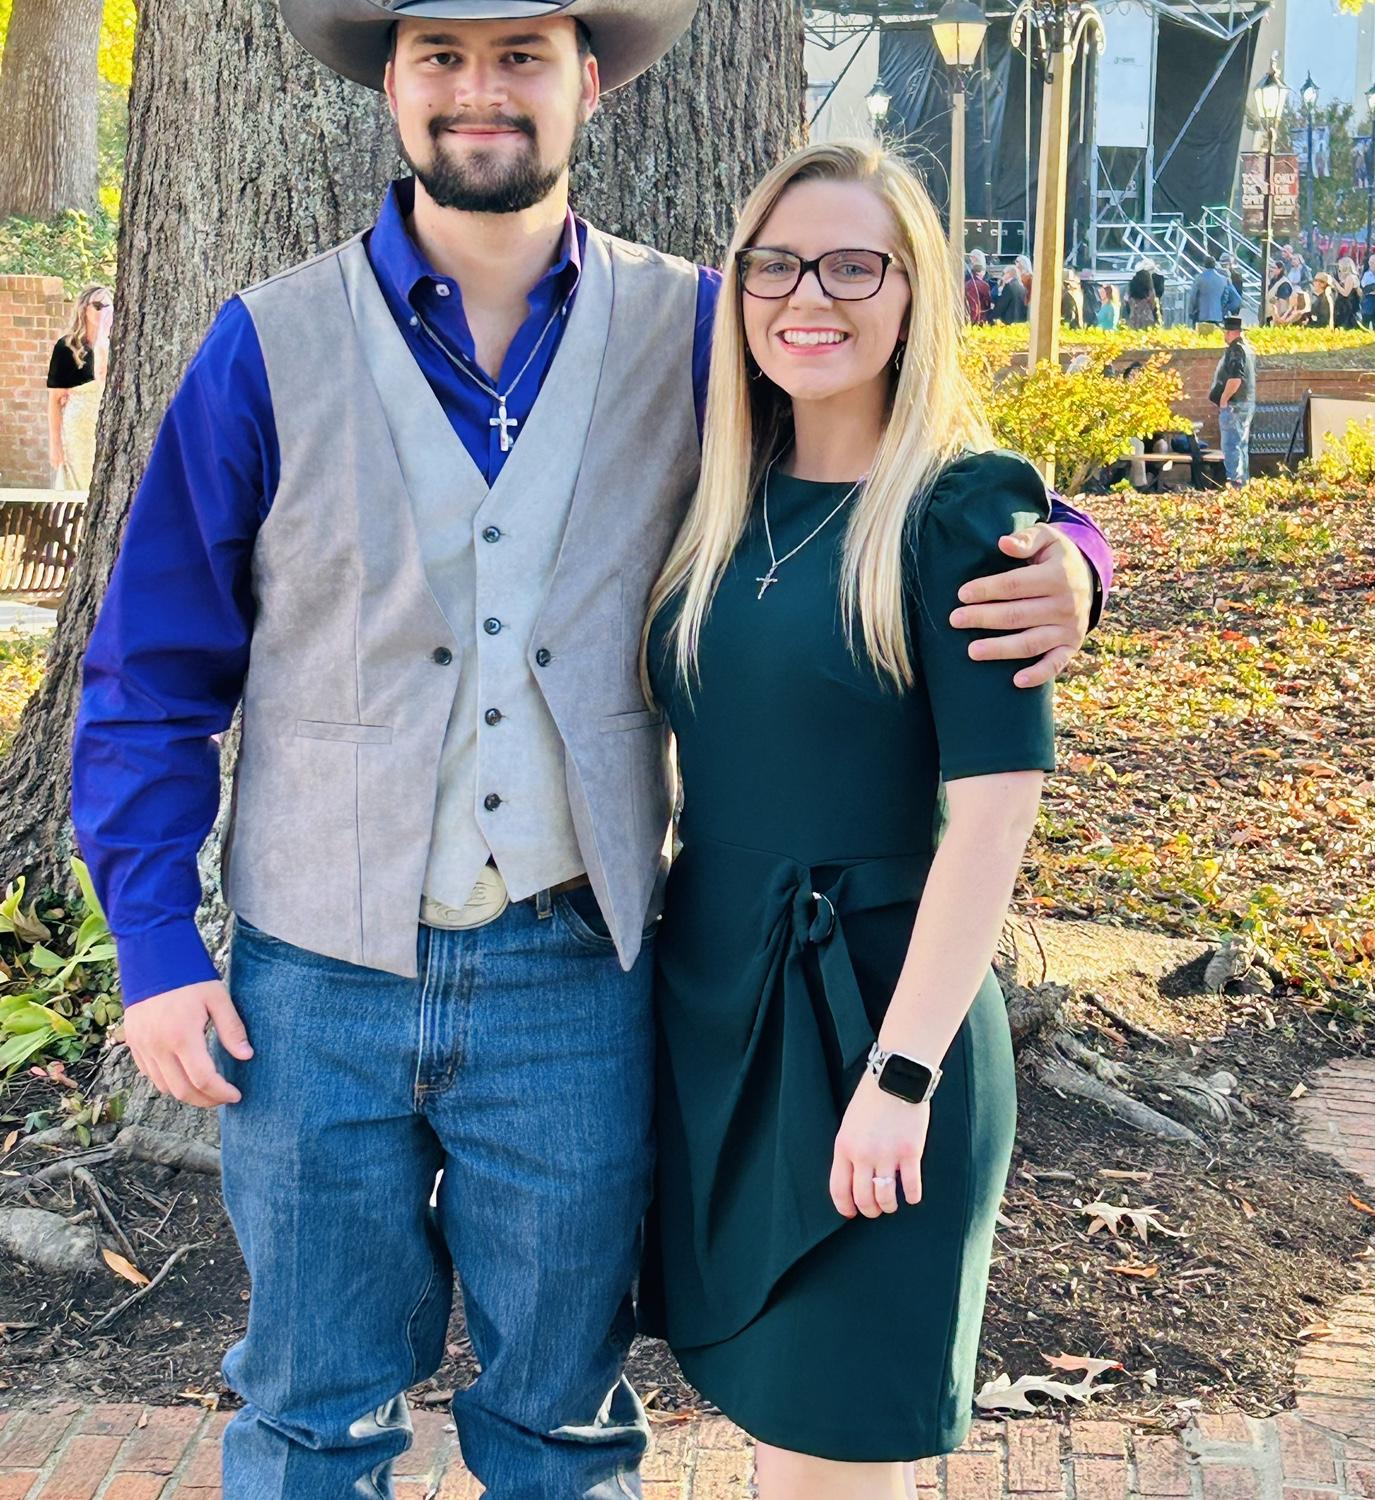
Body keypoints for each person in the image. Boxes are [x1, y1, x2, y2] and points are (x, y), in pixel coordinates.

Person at [69, 3, 1116, 1495]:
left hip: (576, 975)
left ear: (592, 82)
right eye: (441, 55)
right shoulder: (264, 346)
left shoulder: (701, 325)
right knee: (306, 1413)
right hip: (315, 977)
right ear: (392, 83)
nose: (479, 90)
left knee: (561, 1418)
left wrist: (1073, 552)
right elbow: (148, 672)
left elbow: (896, 443)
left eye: (521, 55)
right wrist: (156, 945)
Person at [641, 139, 1055, 1500]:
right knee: (779, 1440)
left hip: (878, 1023)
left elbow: (994, 820)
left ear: (914, 291)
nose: (808, 295)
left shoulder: (960, 510)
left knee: (834, 1457)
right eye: (775, 265)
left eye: (853, 266)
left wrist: (904, 1074)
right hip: (718, 1017)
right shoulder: (717, 498)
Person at [46, 284, 113, 489]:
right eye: (98, 306)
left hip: (109, 426)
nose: (103, 311)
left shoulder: (117, 345)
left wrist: (102, 341)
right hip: (77, 430)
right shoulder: (67, 347)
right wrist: (55, 444)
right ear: (84, 308)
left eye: (108, 306)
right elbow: (54, 400)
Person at [1211, 314, 1256, 486]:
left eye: (1225, 331)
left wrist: (1224, 399)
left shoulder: (1236, 350)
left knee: (1231, 445)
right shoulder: (1247, 349)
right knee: (1241, 444)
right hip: (1245, 402)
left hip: (1234, 404)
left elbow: (1236, 378)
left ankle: (1236, 483)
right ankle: (1242, 483)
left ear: (1230, 332)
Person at [1188, 255, 1240, 333]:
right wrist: (1222, 308)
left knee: (1202, 337)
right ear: (1215, 265)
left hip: (1202, 315)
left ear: (1204, 265)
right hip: (1217, 315)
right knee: (1215, 336)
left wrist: (1191, 311)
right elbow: (1225, 297)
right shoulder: (1223, 279)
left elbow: (1193, 297)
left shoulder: (1199, 278)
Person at [1125, 258, 1160, 328]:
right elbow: (1153, 303)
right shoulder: (1149, 286)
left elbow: (1126, 300)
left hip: (1134, 317)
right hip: (1146, 317)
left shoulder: (1132, 285)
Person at [964, 249, 992, 324]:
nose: (971, 260)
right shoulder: (969, 274)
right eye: (971, 258)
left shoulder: (985, 281)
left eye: (973, 258)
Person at [1333, 256, 1362, 329]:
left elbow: (1346, 293)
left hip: (1348, 306)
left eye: (1340, 265)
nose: (1339, 267)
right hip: (1344, 305)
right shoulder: (1346, 277)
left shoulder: (1350, 277)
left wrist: (1335, 283)